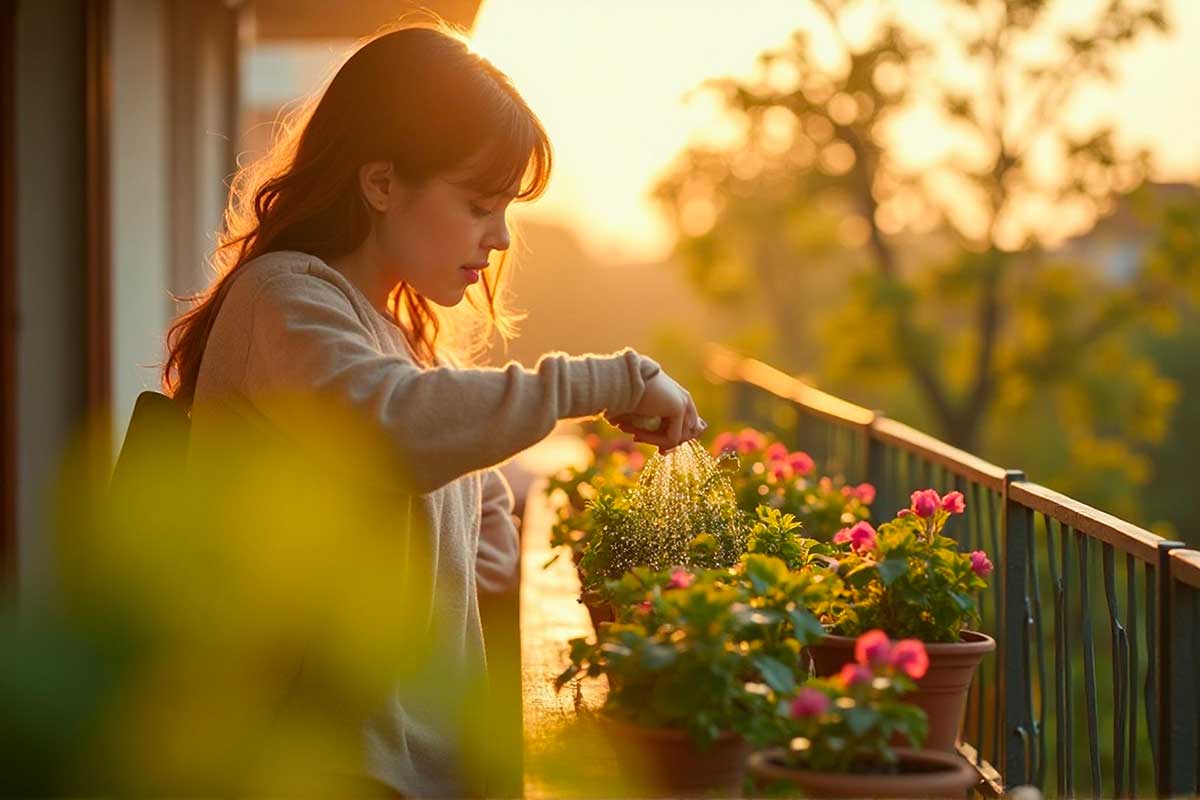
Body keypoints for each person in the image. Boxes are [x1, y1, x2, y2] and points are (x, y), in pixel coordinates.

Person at [161, 19, 704, 797]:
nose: (500, 237)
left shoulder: (404, 341)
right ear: (381, 182)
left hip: (407, 769)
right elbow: (395, 428)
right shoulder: (283, 297)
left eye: (506, 208)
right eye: (481, 203)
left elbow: (475, 524)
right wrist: (609, 381)